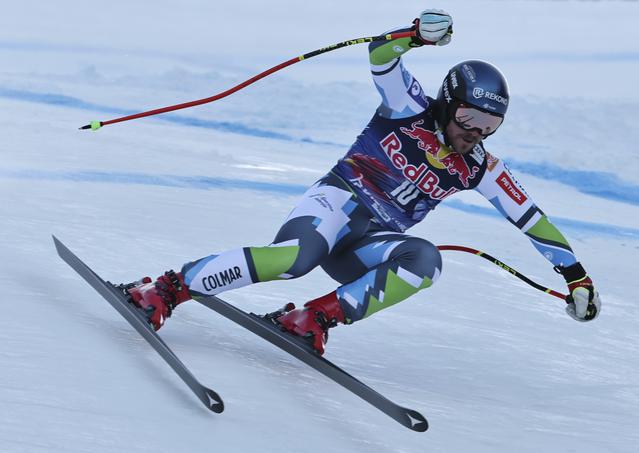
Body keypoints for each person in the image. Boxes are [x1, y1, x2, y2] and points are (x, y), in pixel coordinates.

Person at [126, 9, 602, 355]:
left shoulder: (478, 165)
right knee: (295, 261)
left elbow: (531, 219)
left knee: (426, 261)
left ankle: (312, 319)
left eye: (490, 124)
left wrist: (575, 276)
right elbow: (381, 54)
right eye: (470, 115)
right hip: (335, 206)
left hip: (367, 243)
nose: (475, 130)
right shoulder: (408, 106)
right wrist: (416, 36)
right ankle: (166, 289)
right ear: (448, 100)